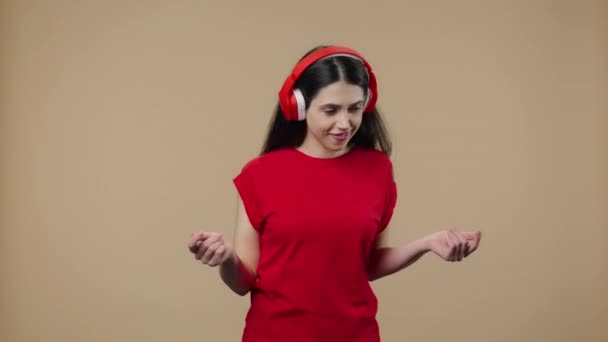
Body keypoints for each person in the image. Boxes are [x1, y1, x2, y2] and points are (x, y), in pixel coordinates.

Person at [187, 45, 482, 342]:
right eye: (331, 110)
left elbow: (368, 264)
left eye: (354, 108)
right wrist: (226, 258)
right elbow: (243, 283)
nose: (345, 123)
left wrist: (428, 244)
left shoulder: (377, 169)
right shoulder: (259, 175)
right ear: (299, 107)